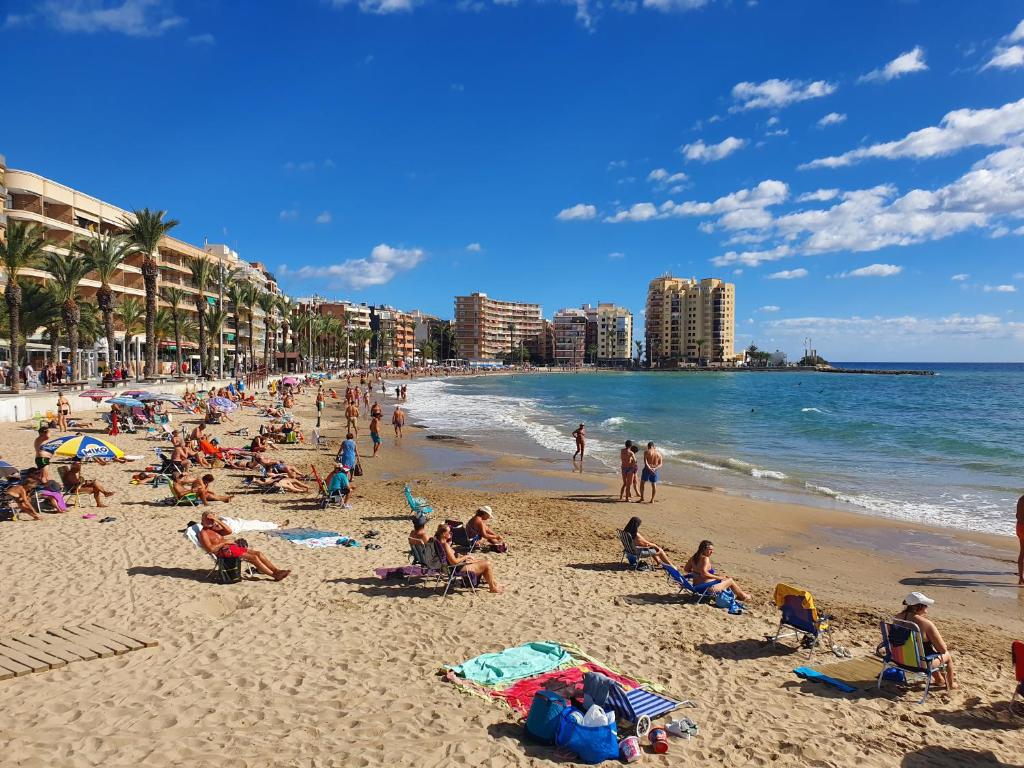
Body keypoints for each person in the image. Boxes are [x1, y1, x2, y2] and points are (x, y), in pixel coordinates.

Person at [198, 512, 291, 581]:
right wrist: (226, 542)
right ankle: (274, 575)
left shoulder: (213, 529)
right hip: (223, 552)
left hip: (230, 548)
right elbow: (210, 549)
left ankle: (276, 570)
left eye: (211, 520)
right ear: (203, 521)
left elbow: (229, 531)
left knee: (258, 553)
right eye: (208, 520)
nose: (211, 522)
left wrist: (217, 520)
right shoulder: (203, 533)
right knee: (253, 557)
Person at [894, 592, 957, 690]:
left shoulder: (897, 617)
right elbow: (942, 649)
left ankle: (939, 680)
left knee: (925, 651)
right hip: (919, 665)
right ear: (919, 606)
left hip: (899, 659)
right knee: (947, 656)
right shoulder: (925, 624)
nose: (927, 606)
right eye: (925, 604)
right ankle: (951, 685)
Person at [433, 523, 503, 594]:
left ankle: (495, 584)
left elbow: (450, 559)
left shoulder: (438, 543)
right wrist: (466, 557)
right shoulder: (445, 545)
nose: (451, 534)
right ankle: (492, 588)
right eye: (449, 532)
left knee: (482, 561)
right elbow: (454, 562)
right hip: (456, 569)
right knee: (487, 564)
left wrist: (463, 558)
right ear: (444, 534)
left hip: (452, 567)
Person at [684, 540, 749, 601]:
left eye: (712, 550)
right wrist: (719, 578)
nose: (712, 552)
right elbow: (704, 574)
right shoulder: (705, 558)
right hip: (707, 589)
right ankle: (743, 596)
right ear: (703, 549)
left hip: (696, 587)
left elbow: (686, 569)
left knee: (724, 578)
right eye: (710, 550)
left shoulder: (694, 557)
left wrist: (696, 573)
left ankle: (739, 595)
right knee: (730, 580)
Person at [1017, 495, 1024, 585]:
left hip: (1019, 527)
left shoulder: (1021, 499)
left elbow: (1017, 515)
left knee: (1022, 552)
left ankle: (1020, 578)